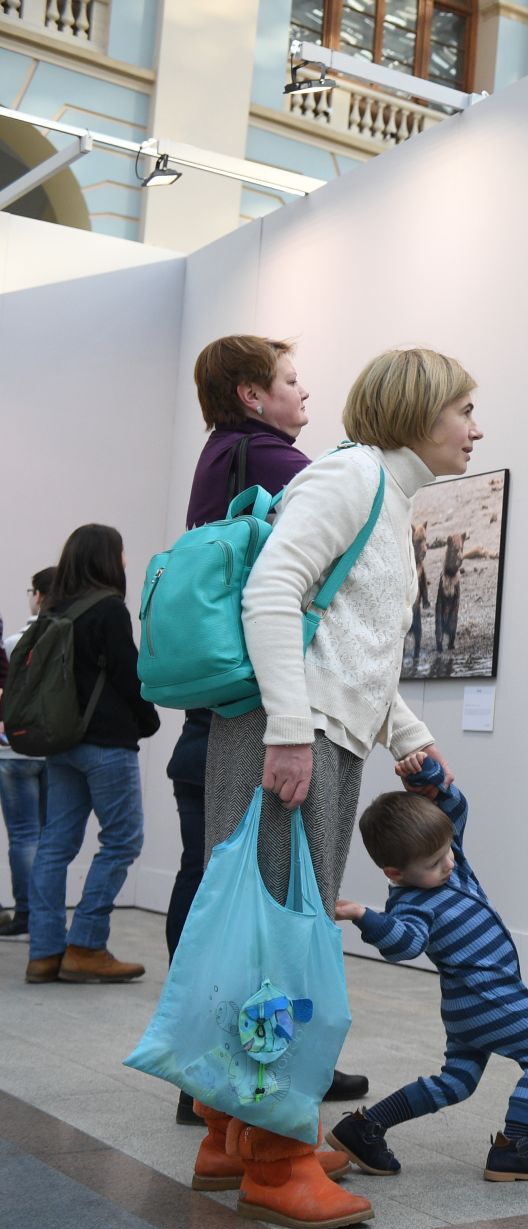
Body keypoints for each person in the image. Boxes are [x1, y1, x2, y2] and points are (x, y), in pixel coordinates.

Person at [189, 345, 481, 1229]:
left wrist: (409, 736)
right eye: (463, 410)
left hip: (324, 734)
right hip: (294, 736)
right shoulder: (348, 480)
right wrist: (287, 731)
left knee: (274, 935)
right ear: (416, 411)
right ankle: (276, 1160)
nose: (476, 428)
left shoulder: (385, 497)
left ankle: (230, 1134)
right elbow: (272, 597)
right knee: (282, 947)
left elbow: (348, 641)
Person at [165, 336, 345, 1124]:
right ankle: (247, 1075)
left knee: (210, 894)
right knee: (273, 916)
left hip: (208, 719)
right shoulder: (274, 463)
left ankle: (205, 1073)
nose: (304, 395)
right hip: (262, 714)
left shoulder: (216, 460)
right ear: (249, 393)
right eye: (291, 381)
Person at [328, 755, 528, 1183]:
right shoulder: (411, 903)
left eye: (447, 851)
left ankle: (365, 1127)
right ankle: (514, 1146)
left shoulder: (445, 865)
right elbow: (404, 944)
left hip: (468, 1004)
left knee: (457, 1080)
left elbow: (455, 810)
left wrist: (428, 780)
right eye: (436, 862)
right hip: (488, 995)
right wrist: (364, 915)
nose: (450, 864)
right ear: (395, 873)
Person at [24, 527, 160, 982]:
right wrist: (149, 720)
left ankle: (43, 953)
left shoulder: (55, 608)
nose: (125, 560)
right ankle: (85, 944)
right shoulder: (108, 609)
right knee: (122, 840)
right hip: (106, 745)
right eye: (122, 552)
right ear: (107, 558)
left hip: (61, 743)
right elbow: (128, 675)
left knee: (54, 846)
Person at [0, 568, 53, 939]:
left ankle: (25, 916)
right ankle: (44, 919)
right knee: (51, 836)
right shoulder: (67, 638)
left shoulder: (14, 641)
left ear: (38, 595)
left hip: (13, 751)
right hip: (53, 750)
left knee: (23, 836)